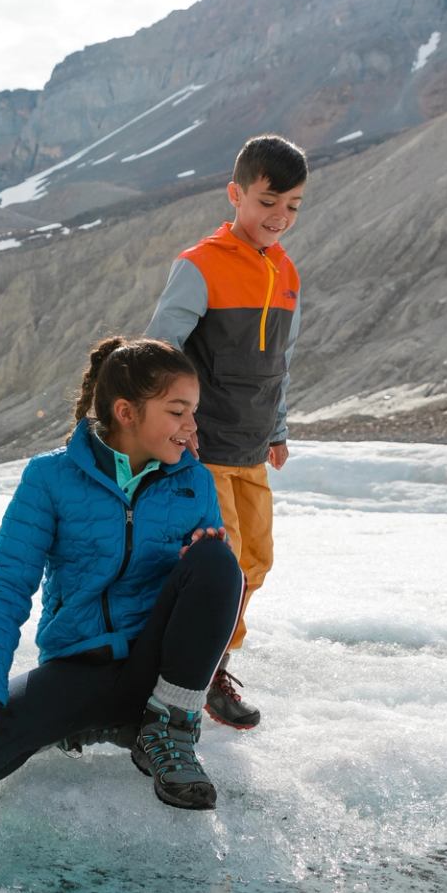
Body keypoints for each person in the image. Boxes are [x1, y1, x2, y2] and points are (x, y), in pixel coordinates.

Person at [0, 337, 245, 811]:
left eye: (193, 412)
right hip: (78, 668)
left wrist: (197, 558)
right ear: (126, 412)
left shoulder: (193, 481)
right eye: (178, 411)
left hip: (157, 669)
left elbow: (208, 592)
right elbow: (6, 588)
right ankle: (102, 723)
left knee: (218, 561)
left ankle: (168, 729)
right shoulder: (49, 479)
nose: (192, 426)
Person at [145, 134, 308, 728]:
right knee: (226, 562)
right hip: (204, 447)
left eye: (292, 205)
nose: (280, 217)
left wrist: (279, 426)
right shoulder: (201, 265)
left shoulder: (286, 272)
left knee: (257, 562)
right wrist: (171, 425)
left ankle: (212, 659)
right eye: (269, 201)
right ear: (236, 193)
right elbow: (162, 352)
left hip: (251, 446)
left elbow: (278, 365)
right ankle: (200, 671)